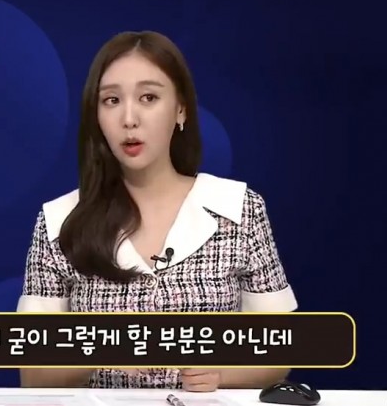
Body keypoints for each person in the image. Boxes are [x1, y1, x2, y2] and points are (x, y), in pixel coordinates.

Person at [17, 31, 297, 391]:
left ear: (181, 108)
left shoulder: (239, 209)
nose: (129, 118)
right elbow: (33, 373)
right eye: (111, 100)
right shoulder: (59, 222)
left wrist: (222, 374)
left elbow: (281, 348)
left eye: (148, 97)